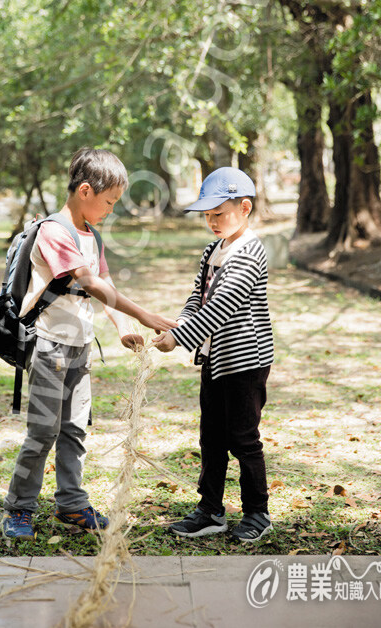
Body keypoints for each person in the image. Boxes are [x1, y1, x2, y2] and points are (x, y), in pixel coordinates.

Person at [2, 147, 177, 540]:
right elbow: (89, 282)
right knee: (43, 432)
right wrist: (146, 315)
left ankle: (72, 503)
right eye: (109, 202)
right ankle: (19, 508)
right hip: (50, 347)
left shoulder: (90, 234)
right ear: (85, 191)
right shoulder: (54, 231)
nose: (111, 210)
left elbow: (106, 283)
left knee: (75, 430)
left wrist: (121, 325)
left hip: (79, 348)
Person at [153, 167, 274, 543]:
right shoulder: (212, 251)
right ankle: (211, 510)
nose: (212, 222)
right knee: (211, 437)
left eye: (219, 214)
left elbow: (222, 306)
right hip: (215, 360)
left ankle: (257, 512)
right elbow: (199, 298)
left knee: (243, 438)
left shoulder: (250, 254)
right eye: (207, 216)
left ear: (245, 207)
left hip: (245, 363)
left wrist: (179, 339)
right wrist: (179, 324)